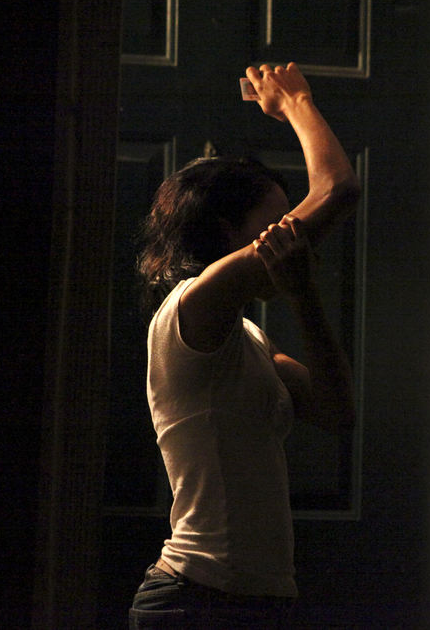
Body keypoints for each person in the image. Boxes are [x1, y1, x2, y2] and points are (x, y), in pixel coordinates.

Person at [128, 62, 359, 628]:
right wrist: (295, 102)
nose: (295, 230)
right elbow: (338, 189)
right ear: (231, 234)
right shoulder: (190, 306)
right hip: (196, 599)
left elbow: (336, 411)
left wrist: (304, 296)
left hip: (254, 602)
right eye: (279, 219)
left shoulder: (247, 337)